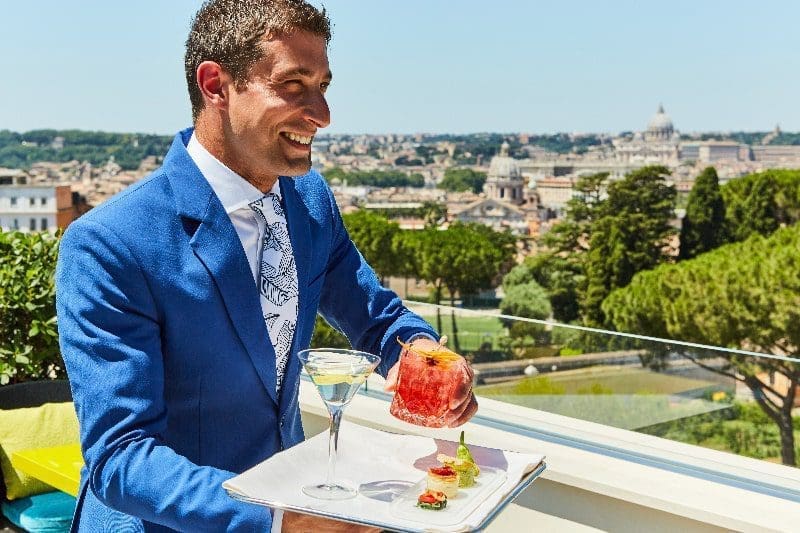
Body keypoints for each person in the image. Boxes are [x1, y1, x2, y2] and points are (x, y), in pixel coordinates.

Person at [55, 1, 477, 531]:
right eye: (294, 84)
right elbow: (120, 460)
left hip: (294, 497)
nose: (322, 114)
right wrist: (281, 519)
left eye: (323, 84)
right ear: (215, 85)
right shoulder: (109, 244)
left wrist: (426, 357)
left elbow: (378, 319)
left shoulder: (310, 201)